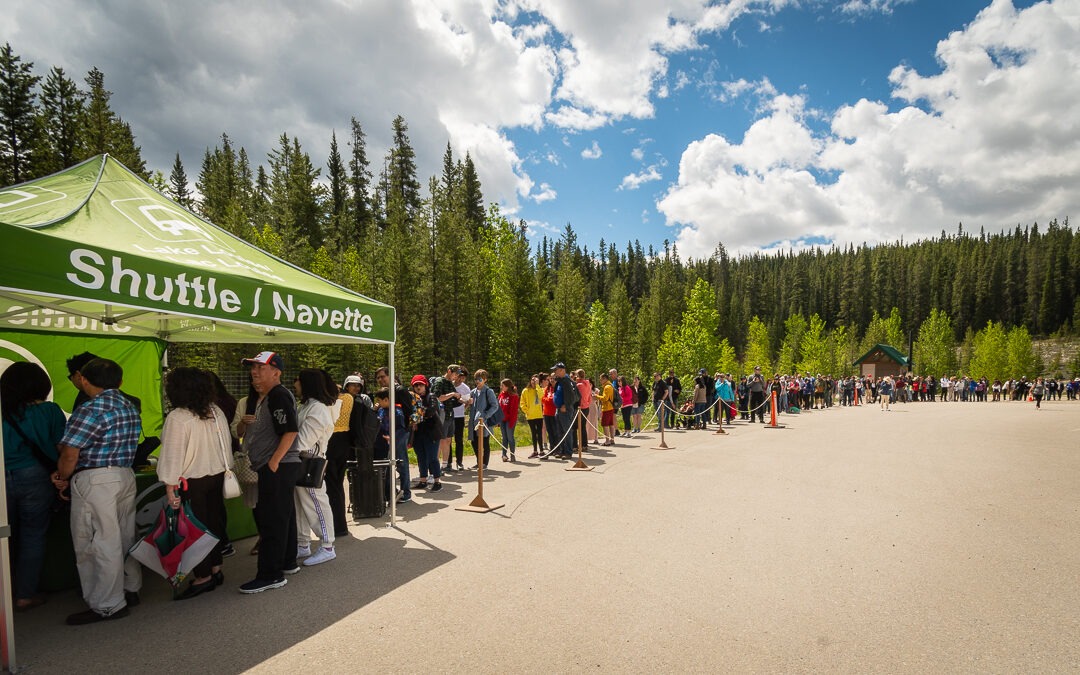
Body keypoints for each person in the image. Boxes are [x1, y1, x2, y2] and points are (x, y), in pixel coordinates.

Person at [53, 358, 142, 624]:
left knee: (97, 542)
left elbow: (70, 453)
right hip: (125, 475)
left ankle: (107, 604)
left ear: (83, 380)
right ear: (121, 381)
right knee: (125, 536)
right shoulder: (129, 405)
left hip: (95, 479)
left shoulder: (89, 410)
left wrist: (61, 476)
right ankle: (131, 588)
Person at [157, 367, 232, 599]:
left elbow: (171, 454)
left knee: (194, 530)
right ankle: (215, 568)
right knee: (213, 524)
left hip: (191, 481)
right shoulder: (215, 411)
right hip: (217, 475)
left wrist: (170, 486)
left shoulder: (178, 417)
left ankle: (203, 576)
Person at [1, 362, 66, 611]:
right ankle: (25, 595)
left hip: (1, 478)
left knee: (2, 537)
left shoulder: (3, 411)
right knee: (33, 535)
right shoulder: (49, 411)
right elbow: (62, 447)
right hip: (36, 477)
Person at [236, 351, 301, 594]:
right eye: (252, 367)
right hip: (278, 466)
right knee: (282, 515)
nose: (254, 372)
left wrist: (274, 462)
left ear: (276, 372)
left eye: (260, 367)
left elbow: (290, 430)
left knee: (271, 520)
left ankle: (270, 574)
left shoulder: (278, 394)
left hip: (278, 466)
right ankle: (287, 562)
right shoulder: (268, 397)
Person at [293, 369, 337, 566]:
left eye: (298, 381)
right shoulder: (307, 406)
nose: (295, 384)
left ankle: (328, 546)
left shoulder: (317, 408)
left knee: (316, 502)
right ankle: (302, 543)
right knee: (300, 504)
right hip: (299, 461)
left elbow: (303, 441)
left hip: (310, 461)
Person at [325, 375, 360, 538]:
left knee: (331, 484)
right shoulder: (349, 398)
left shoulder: (331, 402)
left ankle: (336, 525)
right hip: (344, 441)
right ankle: (340, 525)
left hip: (332, 441)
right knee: (337, 483)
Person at [373, 388, 410, 503]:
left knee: (401, 465)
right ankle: (391, 492)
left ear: (387, 399)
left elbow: (402, 428)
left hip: (397, 441)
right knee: (388, 467)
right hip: (385, 443)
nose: (378, 402)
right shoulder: (381, 410)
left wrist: (393, 437)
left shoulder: (397, 412)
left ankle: (406, 492)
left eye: (380, 400)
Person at [410, 374, 444, 491]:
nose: (418, 387)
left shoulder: (432, 397)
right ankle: (423, 480)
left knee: (432, 457)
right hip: (418, 433)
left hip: (431, 432)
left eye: (420, 384)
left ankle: (437, 482)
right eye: (415, 385)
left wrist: (419, 412)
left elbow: (431, 410)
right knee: (421, 457)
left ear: (426, 385)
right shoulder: (412, 399)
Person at [429, 365, 461, 472]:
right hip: (441, 415)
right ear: (449, 371)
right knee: (439, 441)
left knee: (448, 440)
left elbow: (452, 399)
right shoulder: (439, 382)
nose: (456, 377)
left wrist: (462, 399)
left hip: (450, 415)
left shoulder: (450, 384)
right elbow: (437, 397)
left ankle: (445, 465)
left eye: (457, 375)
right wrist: (452, 394)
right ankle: (435, 466)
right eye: (455, 374)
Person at [468, 370, 498, 469]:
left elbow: (495, 406)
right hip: (474, 422)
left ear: (485, 380)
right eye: (476, 379)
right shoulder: (473, 392)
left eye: (480, 379)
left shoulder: (489, 391)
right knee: (474, 442)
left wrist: (485, 415)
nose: (477, 381)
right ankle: (479, 461)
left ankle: (484, 463)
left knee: (484, 442)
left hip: (484, 422)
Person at [550, 363, 578, 459]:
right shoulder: (560, 381)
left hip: (565, 410)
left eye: (556, 370)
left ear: (562, 370)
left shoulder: (567, 381)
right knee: (560, 431)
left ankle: (568, 452)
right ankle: (561, 450)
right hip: (559, 409)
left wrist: (565, 405)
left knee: (567, 431)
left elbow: (572, 396)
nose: (555, 372)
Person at [451, 367, 472, 471]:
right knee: (447, 440)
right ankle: (448, 462)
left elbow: (467, 401)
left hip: (459, 416)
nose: (460, 380)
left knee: (459, 439)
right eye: (459, 377)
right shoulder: (449, 384)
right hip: (449, 415)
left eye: (463, 378)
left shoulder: (466, 388)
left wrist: (464, 407)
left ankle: (459, 462)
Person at [520, 374, 545, 458]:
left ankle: (541, 450)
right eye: (532, 380)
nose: (533, 382)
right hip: (530, 416)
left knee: (539, 433)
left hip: (539, 415)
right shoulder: (525, 390)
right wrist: (527, 411)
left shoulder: (539, 389)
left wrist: (537, 385)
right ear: (530, 381)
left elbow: (542, 396)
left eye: (536, 380)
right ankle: (535, 451)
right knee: (534, 433)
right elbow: (522, 403)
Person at [497, 378, 520, 462]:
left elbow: (513, 410)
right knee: (504, 438)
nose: (501, 387)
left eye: (502, 385)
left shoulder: (513, 396)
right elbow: (498, 407)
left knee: (510, 437)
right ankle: (504, 454)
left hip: (510, 420)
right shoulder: (501, 395)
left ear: (507, 386)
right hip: (502, 419)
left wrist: (511, 422)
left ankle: (512, 454)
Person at [595, 373, 616, 445]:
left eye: (601, 379)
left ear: (605, 379)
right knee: (611, 424)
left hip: (607, 408)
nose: (600, 381)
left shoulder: (607, 387)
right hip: (611, 407)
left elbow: (605, 398)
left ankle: (607, 441)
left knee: (605, 424)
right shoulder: (610, 385)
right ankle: (612, 439)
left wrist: (597, 396)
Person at [574, 369, 592, 454]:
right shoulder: (588, 384)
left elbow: (577, 397)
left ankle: (575, 446)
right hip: (586, 407)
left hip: (580, 408)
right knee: (583, 427)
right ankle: (584, 445)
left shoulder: (579, 385)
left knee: (574, 427)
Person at [541, 373, 558, 457]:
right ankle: (552, 448)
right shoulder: (546, 389)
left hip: (554, 413)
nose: (551, 380)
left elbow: (554, 401)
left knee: (555, 432)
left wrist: (548, 400)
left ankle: (557, 448)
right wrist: (549, 400)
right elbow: (542, 399)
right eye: (550, 379)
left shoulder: (557, 388)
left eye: (553, 379)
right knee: (549, 432)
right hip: (546, 413)